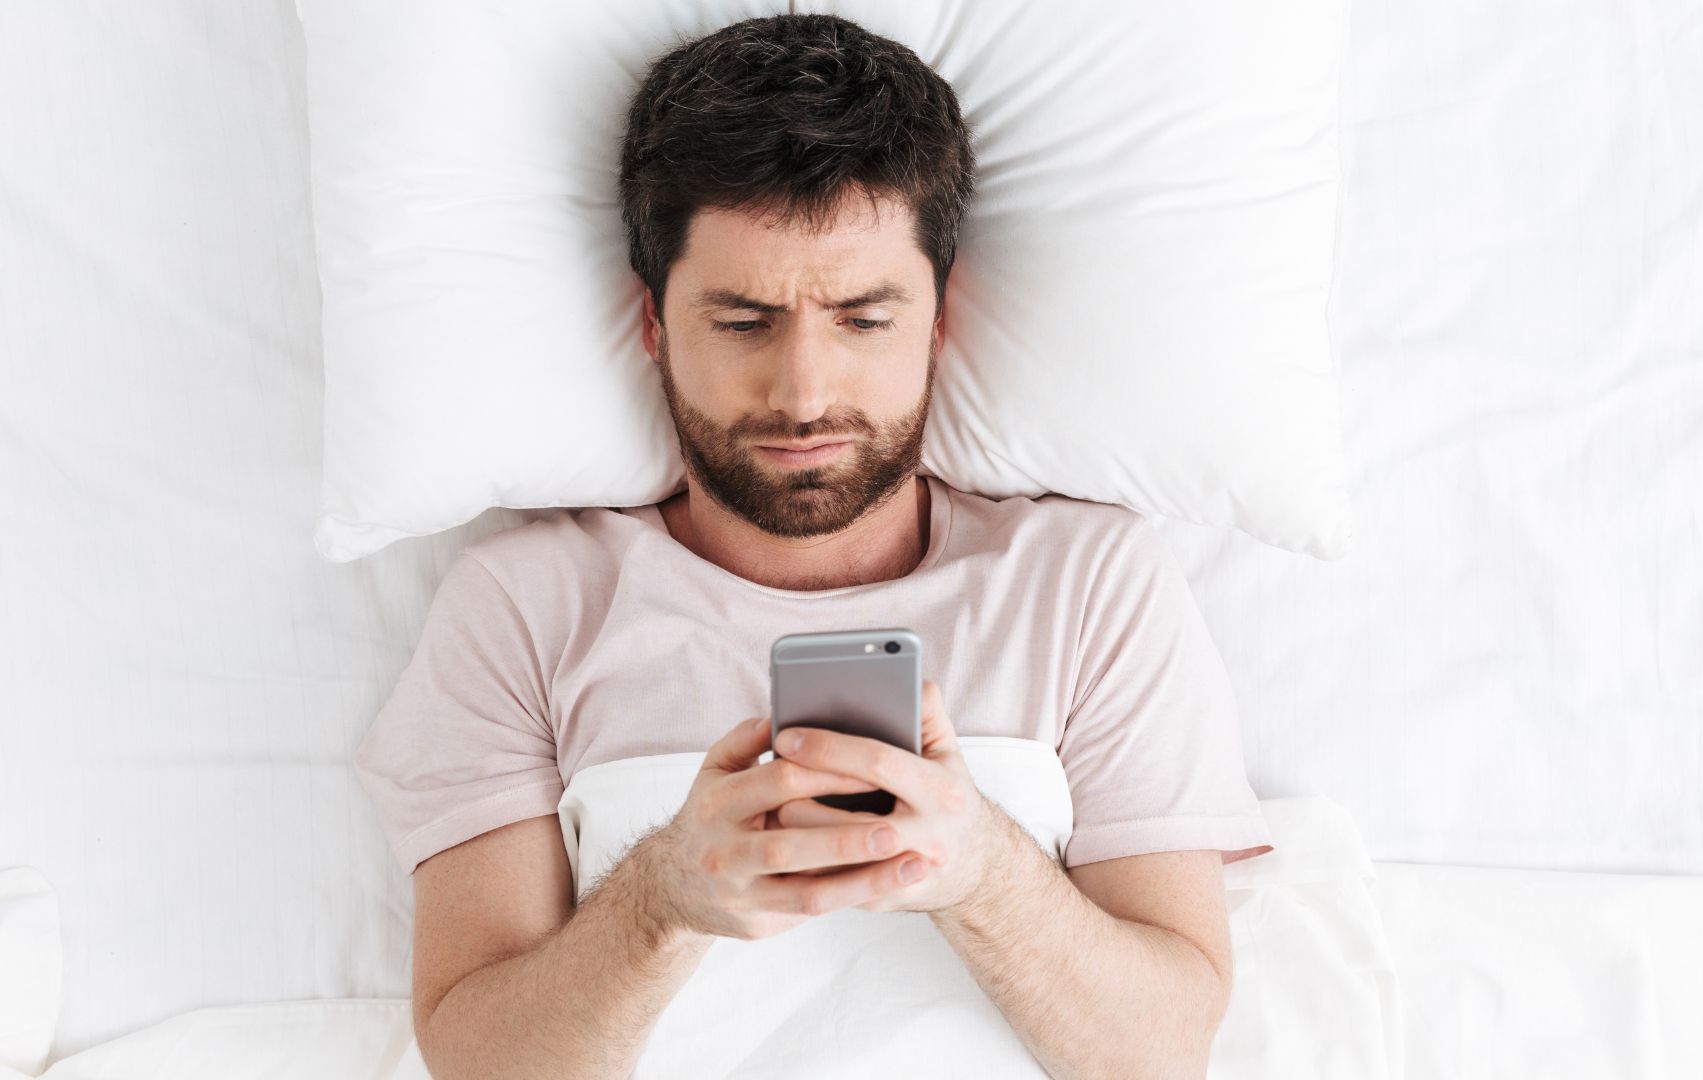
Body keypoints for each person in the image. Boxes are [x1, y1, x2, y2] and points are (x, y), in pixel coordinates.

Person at [352, 13, 1272, 1078]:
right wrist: (666, 899)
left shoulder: (1085, 585)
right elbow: (479, 1061)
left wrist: (980, 870)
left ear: (939, 320)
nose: (803, 394)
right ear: (653, 323)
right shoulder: (526, 605)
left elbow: (1161, 1052)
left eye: (865, 319)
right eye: (742, 322)